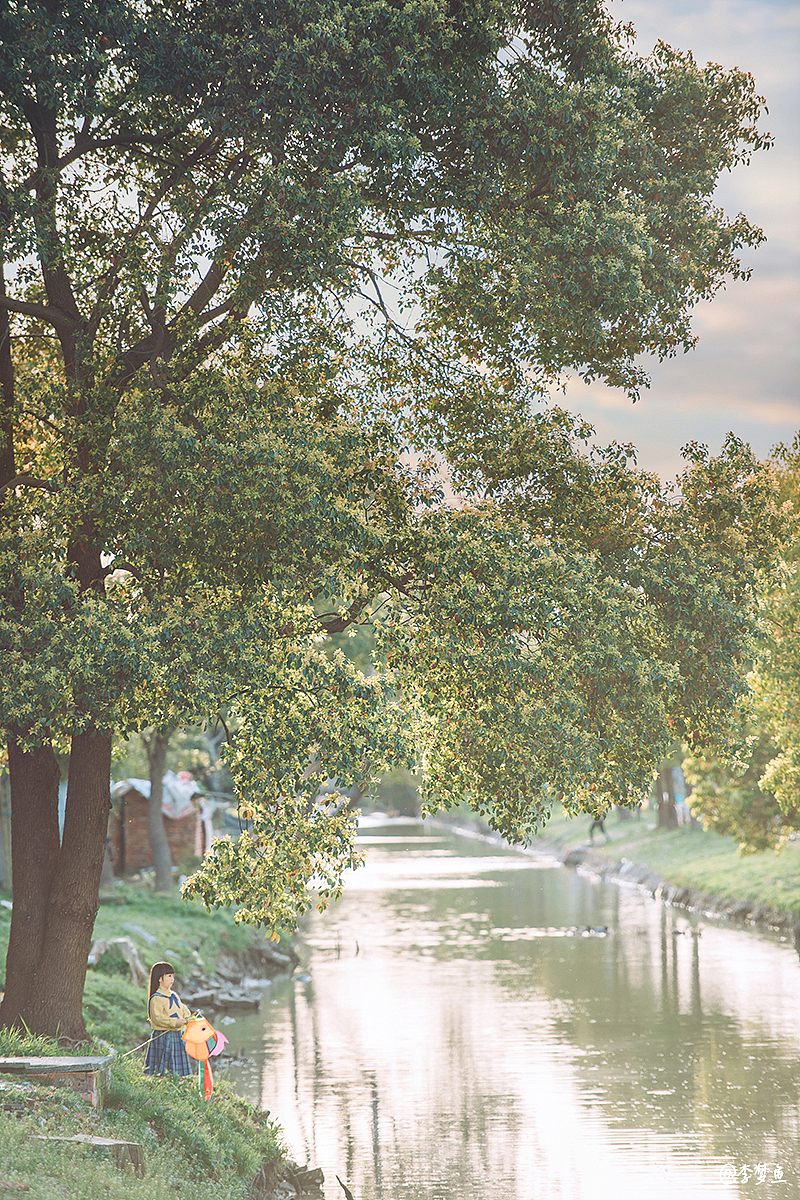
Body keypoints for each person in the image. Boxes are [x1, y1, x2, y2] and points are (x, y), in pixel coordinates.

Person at [143, 960, 196, 1077]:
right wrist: (174, 1022)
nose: (172, 979)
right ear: (160, 979)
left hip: (176, 1036)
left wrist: (188, 1017)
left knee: (178, 1067)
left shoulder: (173, 995)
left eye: (173, 976)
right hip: (163, 1036)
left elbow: (182, 1009)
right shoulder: (156, 998)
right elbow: (157, 1018)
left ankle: (177, 1085)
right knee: (162, 1068)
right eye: (169, 976)